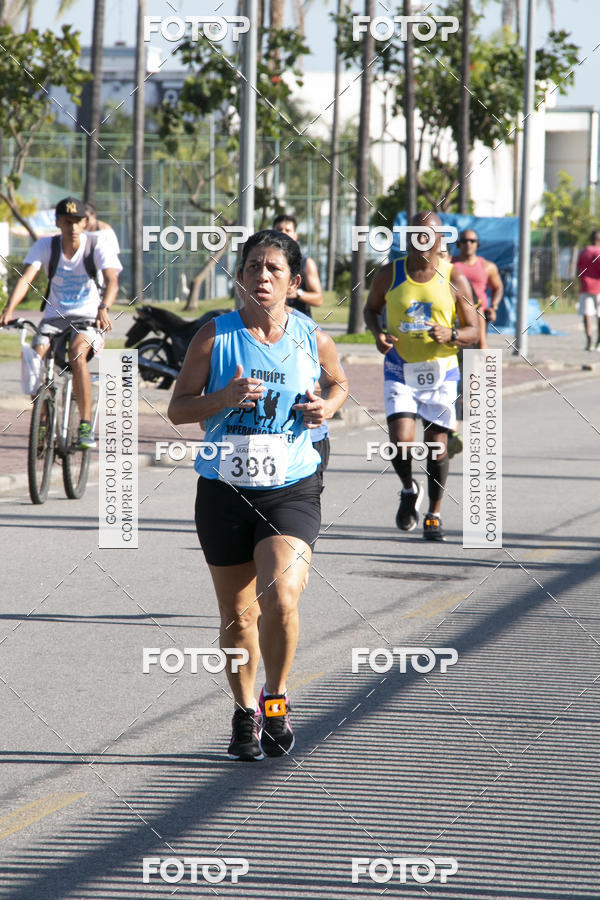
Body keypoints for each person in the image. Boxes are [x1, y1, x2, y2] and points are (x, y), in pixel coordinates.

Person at [168, 229, 348, 761]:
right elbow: (179, 408)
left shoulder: (312, 338)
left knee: (282, 598)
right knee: (237, 614)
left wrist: (327, 408)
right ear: (241, 277)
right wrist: (222, 398)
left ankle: (276, 699)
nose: (261, 277)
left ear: (293, 283)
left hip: (291, 487)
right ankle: (244, 711)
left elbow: (338, 384)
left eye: (273, 269)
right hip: (225, 489)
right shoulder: (213, 336)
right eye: (252, 267)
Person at [364, 211, 478, 541]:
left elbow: (474, 329)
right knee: (400, 442)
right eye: (417, 234)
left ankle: (434, 513)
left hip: (441, 372)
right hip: (400, 368)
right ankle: (408, 488)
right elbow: (370, 310)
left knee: (436, 447)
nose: (423, 240)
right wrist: (377, 333)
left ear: (441, 239)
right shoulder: (389, 274)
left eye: (430, 235)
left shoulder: (454, 278)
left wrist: (452, 334)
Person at [0, 197, 122, 449]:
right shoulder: (46, 245)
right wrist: (8, 309)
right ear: (58, 222)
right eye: (67, 221)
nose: (73, 227)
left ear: (85, 223)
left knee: (77, 353)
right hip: (54, 317)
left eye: (78, 221)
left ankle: (85, 424)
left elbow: (112, 280)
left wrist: (104, 307)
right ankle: (42, 420)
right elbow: (26, 279)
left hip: (88, 316)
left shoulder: (96, 245)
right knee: (36, 354)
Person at [452, 228, 503, 350]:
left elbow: (498, 287)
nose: (468, 244)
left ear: (477, 244)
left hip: (479, 315)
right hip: (456, 315)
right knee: (459, 352)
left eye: (472, 241)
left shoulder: (487, 266)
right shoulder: (449, 265)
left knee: (479, 351)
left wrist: (494, 307)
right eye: (464, 241)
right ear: (459, 244)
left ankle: (480, 367)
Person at [273, 214, 323, 317]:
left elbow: (318, 299)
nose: (283, 233)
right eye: (279, 229)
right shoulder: (265, 263)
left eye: (287, 230)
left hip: (299, 324)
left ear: (295, 235)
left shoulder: (306, 263)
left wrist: (297, 293)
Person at [576, 229, 600, 351]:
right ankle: (599, 342)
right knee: (599, 315)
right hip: (599, 287)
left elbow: (578, 268)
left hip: (585, 286)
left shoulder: (583, 252)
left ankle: (589, 340)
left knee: (586, 314)